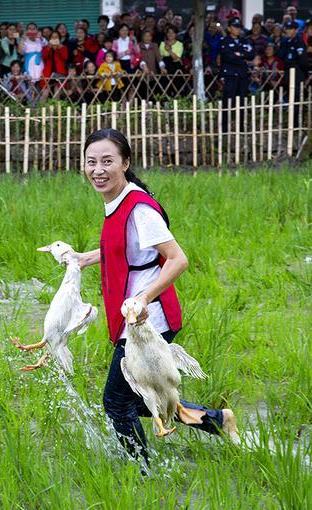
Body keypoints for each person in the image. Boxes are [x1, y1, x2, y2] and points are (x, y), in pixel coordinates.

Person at [73, 128, 239, 464]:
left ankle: (144, 473)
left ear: (125, 163)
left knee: (116, 403)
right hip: (132, 317)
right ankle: (218, 421)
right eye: (91, 162)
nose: (98, 169)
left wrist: (145, 298)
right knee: (137, 397)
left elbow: (178, 259)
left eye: (108, 161)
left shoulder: (138, 209)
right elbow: (123, 249)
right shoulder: (117, 201)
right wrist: (83, 258)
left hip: (148, 320)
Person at [220, 18, 254, 128]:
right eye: (235, 27)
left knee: (242, 102)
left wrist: (239, 55)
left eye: (239, 27)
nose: (238, 29)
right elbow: (229, 57)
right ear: (229, 28)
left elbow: (251, 54)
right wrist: (242, 56)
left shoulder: (245, 41)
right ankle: (225, 128)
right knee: (228, 102)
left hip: (242, 75)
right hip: (230, 75)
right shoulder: (224, 41)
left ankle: (241, 127)